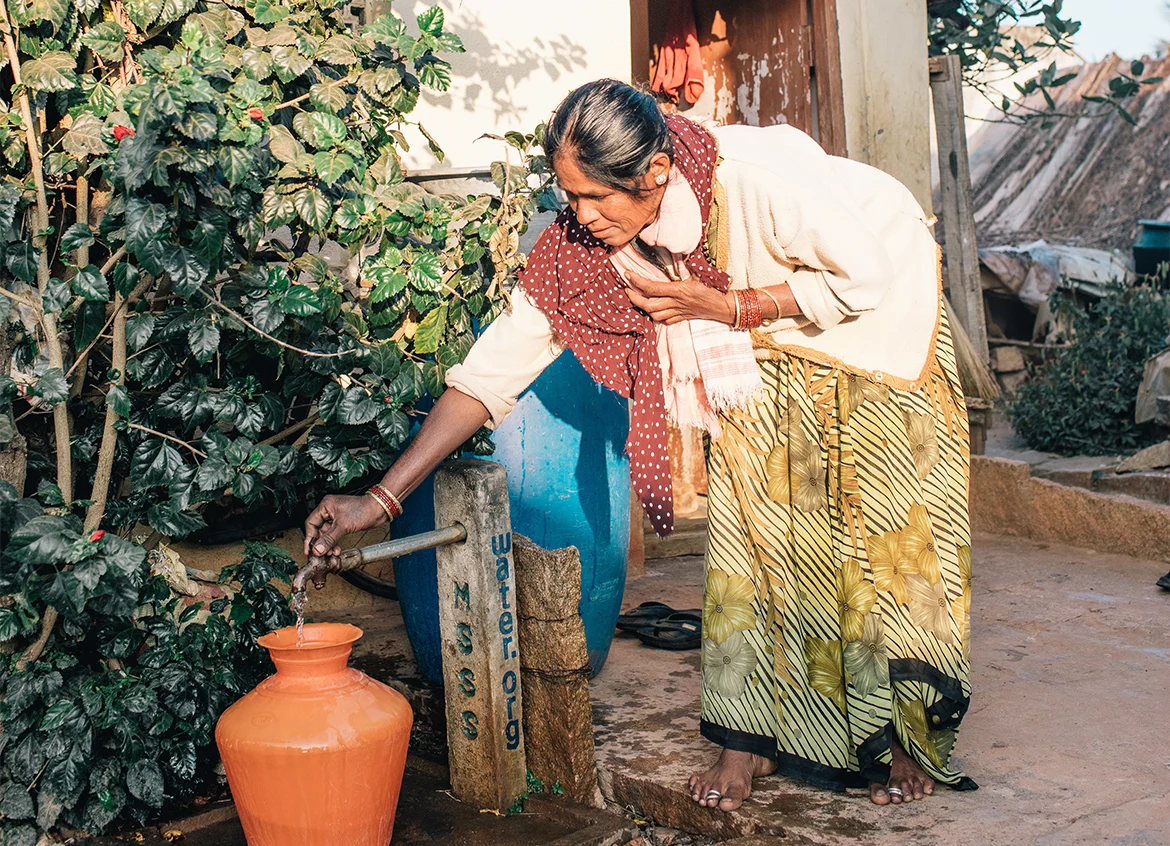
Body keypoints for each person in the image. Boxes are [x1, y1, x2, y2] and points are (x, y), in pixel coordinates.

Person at [304, 79, 977, 811]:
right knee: (756, 525)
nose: (582, 218)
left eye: (597, 199)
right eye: (571, 198)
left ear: (656, 173)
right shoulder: (581, 243)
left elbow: (866, 276)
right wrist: (380, 498)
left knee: (882, 525)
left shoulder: (754, 182)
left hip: (873, 302)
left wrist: (724, 305)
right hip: (751, 323)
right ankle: (747, 743)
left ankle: (908, 737)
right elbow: (493, 371)